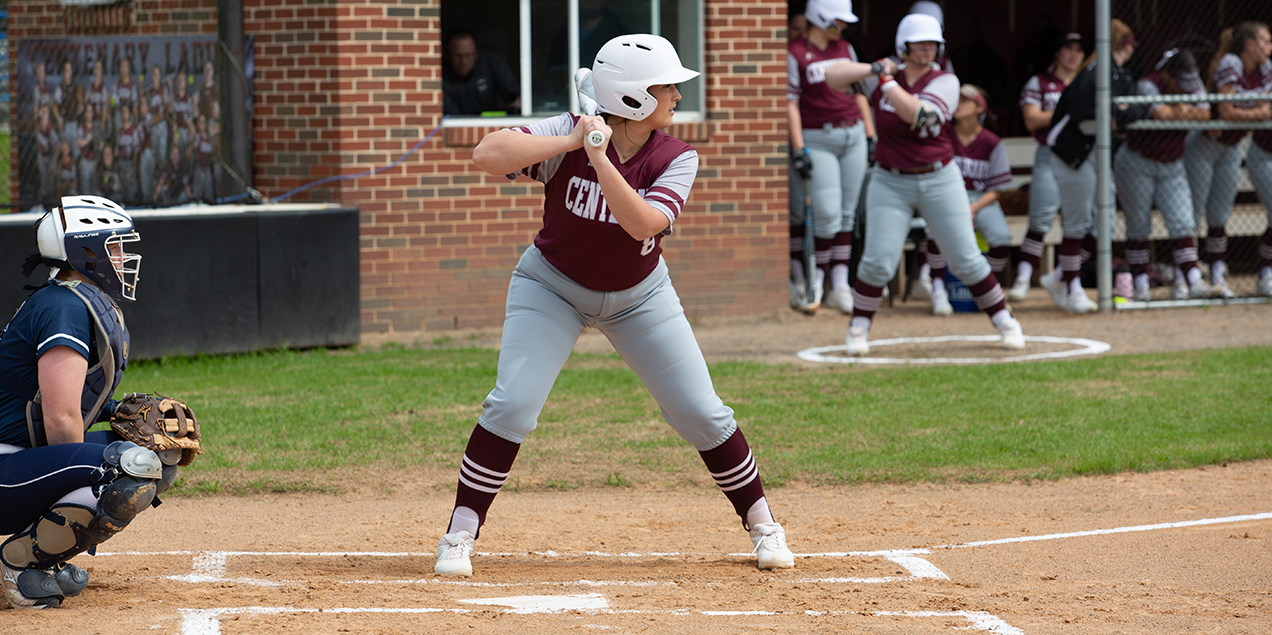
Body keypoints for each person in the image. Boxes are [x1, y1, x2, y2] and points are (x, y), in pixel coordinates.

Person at [433, 34, 794, 578]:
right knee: (512, 405)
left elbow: (643, 224)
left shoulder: (677, 156)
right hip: (550, 286)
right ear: (633, 98)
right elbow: (486, 155)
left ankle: (764, 524)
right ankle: (459, 534)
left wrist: (600, 159)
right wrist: (575, 138)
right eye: (664, 86)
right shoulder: (572, 131)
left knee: (702, 411)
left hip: (640, 296)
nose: (675, 95)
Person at [0, 196, 170, 609]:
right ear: (84, 250)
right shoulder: (63, 307)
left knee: (156, 454)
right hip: (6, 467)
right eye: (113, 246)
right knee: (129, 466)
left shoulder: (71, 299)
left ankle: (46, 556)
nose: (122, 256)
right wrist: (81, 476)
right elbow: (60, 415)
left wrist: (115, 412)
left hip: (18, 461)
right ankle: (20, 565)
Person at [822, 13, 1025, 356]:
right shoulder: (885, 75)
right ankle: (858, 329)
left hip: (939, 177)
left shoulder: (945, 80)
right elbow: (831, 77)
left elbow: (919, 116)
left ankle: (1006, 321)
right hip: (890, 180)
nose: (928, 49)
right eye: (920, 43)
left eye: (933, 43)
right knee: (877, 262)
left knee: (966, 260)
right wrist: (875, 69)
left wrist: (886, 83)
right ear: (904, 46)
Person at [1043, 19, 1146, 312]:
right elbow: (1082, 112)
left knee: (1106, 223)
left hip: (1095, 152)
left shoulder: (1116, 72)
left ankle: (1061, 276)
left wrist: (1118, 114)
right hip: (1071, 152)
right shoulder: (1096, 70)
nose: (1129, 53)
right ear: (1122, 44)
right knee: (1077, 223)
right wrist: (1116, 113)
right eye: (1127, 47)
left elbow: (1133, 109)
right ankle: (1073, 286)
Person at [786, 0, 869, 315]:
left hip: (853, 133)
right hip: (817, 135)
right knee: (828, 213)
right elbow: (790, 102)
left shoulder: (845, 47)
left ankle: (840, 283)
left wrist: (871, 135)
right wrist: (798, 148)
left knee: (847, 213)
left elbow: (859, 92)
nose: (843, 25)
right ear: (820, 18)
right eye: (838, 20)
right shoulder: (794, 51)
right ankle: (816, 279)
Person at [1114, 49, 1213, 301]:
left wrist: (1180, 109)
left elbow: (1205, 114)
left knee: (1183, 223)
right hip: (1137, 162)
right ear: (1168, 75)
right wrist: (1184, 110)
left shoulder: (1193, 83)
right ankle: (1140, 286)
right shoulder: (1149, 83)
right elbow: (1161, 115)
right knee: (1138, 227)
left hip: (1172, 164)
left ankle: (1194, 281)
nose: (1187, 88)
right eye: (1180, 81)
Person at [1186, 23, 1272, 298]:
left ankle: (1218, 277)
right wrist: (1257, 112)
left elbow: (1264, 107)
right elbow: (1225, 110)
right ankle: (1183, 278)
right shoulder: (1231, 61)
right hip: (1205, 145)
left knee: (1220, 216)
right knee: (1194, 213)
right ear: (1250, 45)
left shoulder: (1265, 68)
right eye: (1265, 42)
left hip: (1233, 147)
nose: (1269, 48)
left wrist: (1244, 110)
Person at [1008, 33, 1086, 303]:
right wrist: (1071, 111)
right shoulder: (1040, 82)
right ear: (1057, 52)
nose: (1073, 55)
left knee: (1082, 221)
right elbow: (1031, 119)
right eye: (1068, 49)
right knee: (1041, 216)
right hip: (1050, 154)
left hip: (1083, 156)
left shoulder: (1087, 81)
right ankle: (1022, 279)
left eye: (1078, 50)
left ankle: (1064, 278)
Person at [938, 84, 1016, 310]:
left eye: (965, 100)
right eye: (957, 99)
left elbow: (996, 190)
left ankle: (991, 289)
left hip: (981, 199)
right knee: (931, 232)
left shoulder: (992, 141)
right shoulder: (943, 135)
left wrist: (972, 208)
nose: (958, 104)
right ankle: (938, 291)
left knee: (1001, 237)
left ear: (979, 108)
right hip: (945, 197)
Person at [442, 28, 521, 116]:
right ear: (446, 54)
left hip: (490, 125)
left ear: (476, 54)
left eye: (468, 55)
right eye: (458, 56)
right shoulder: (438, 76)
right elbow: (452, 120)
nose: (463, 61)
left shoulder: (490, 62)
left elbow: (514, 93)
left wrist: (518, 102)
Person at [115, 105, 143, 206]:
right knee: (123, 187)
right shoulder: (120, 131)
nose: (124, 114)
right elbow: (117, 148)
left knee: (131, 187)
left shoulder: (133, 130)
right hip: (122, 162)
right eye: (122, 112)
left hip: (130, 162)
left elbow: (136, 151)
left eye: (126, 112)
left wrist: (134, 167)